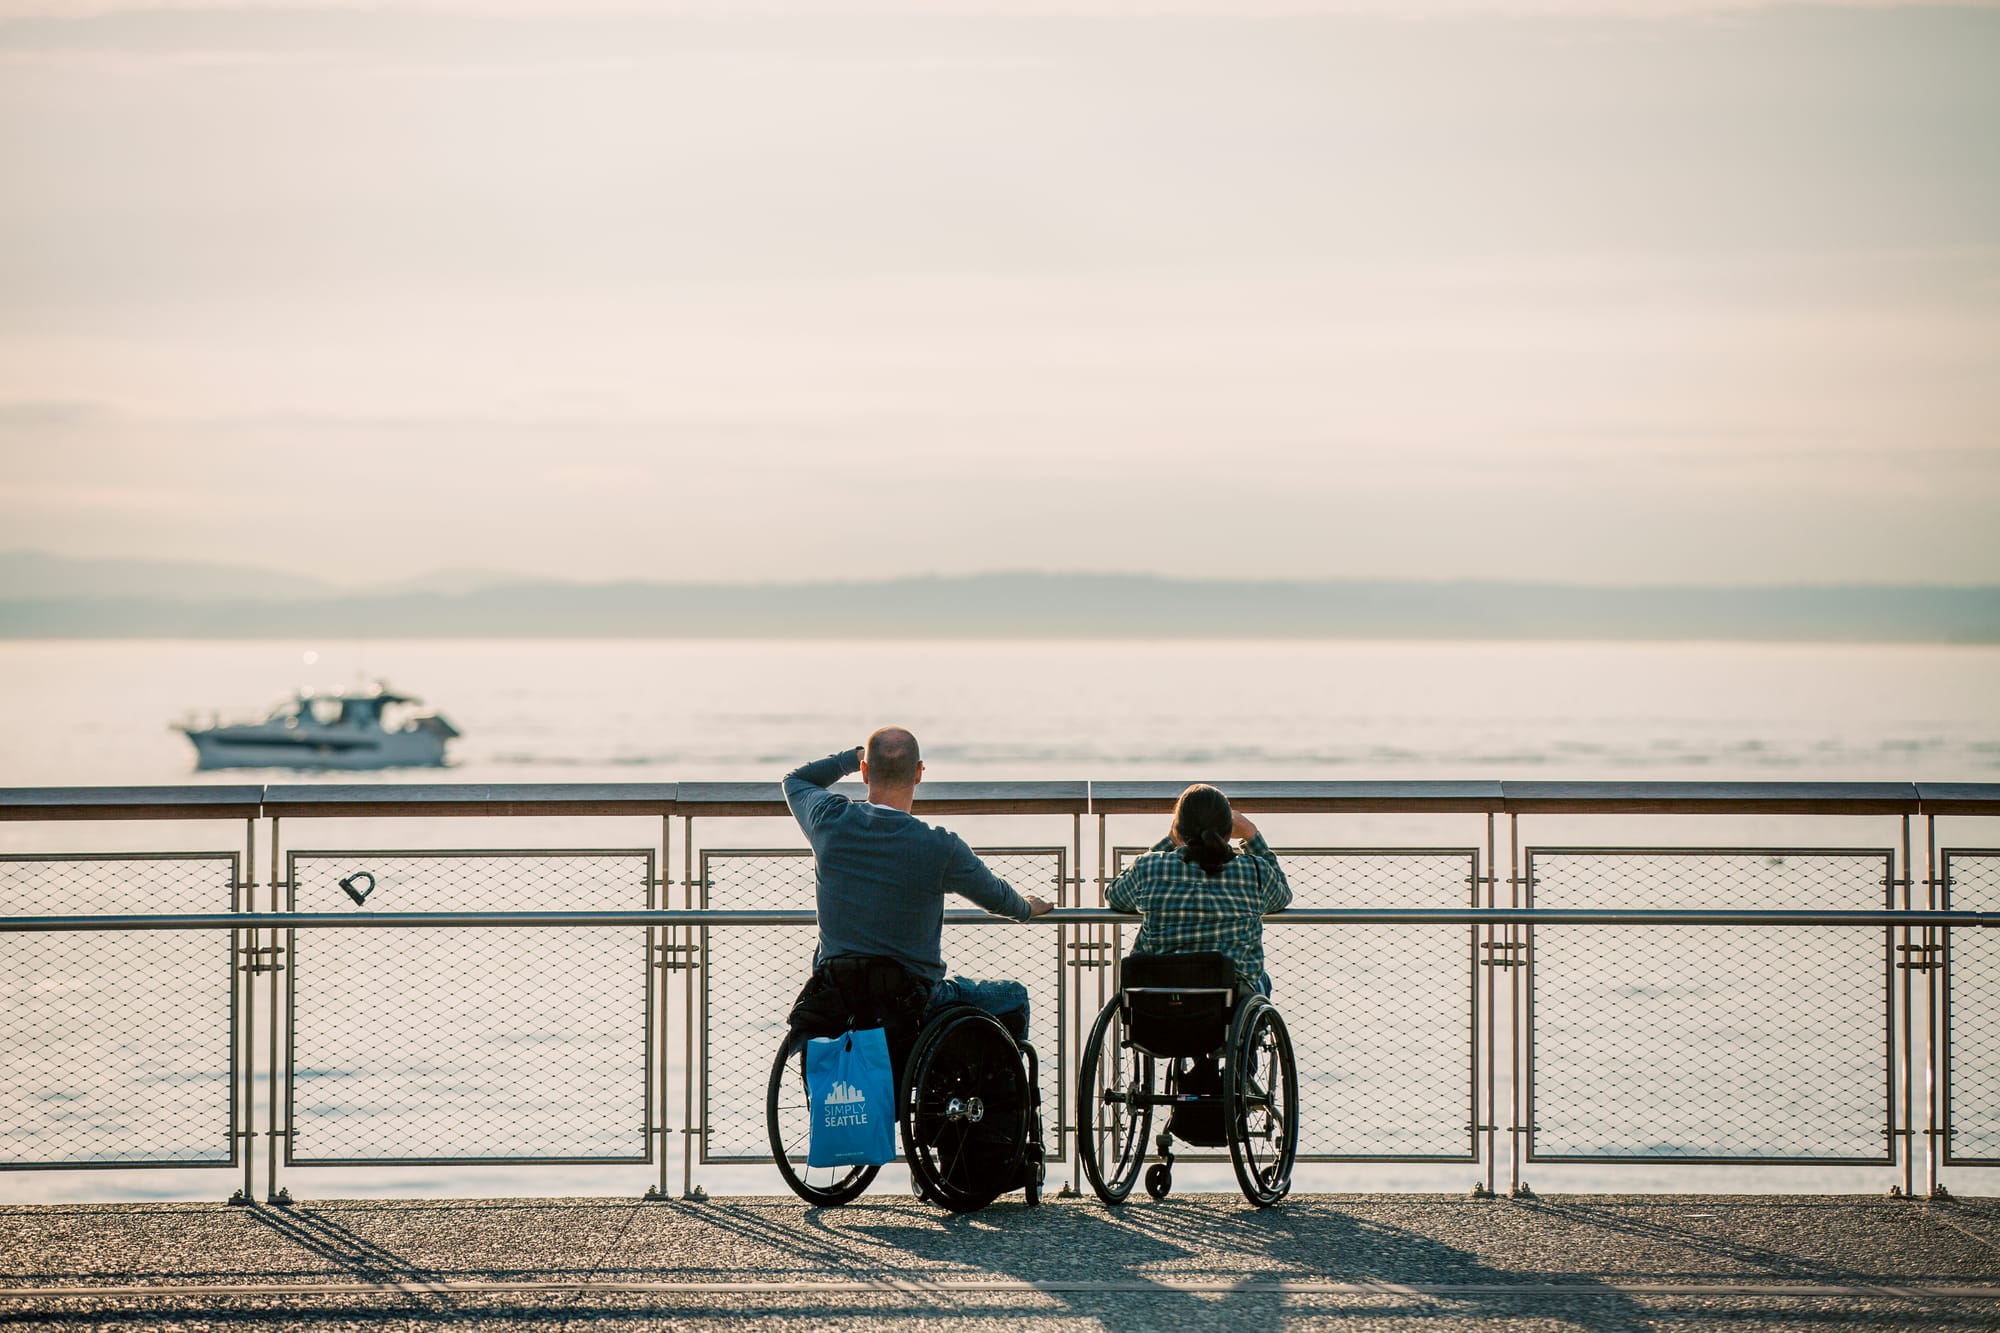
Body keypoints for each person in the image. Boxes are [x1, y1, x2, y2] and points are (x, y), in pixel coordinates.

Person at [783, 727, 1053, 1040]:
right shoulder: (940, 847)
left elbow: (795, 781)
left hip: (839, 996)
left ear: (866, 772)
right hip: (912, 1002)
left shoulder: (828, 821)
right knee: (1013, 996)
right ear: (919, 774)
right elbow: (999, 899)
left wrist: (854, 757)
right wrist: (1026, 908)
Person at [1106, 783, 1290, 998]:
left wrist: (1167, 842)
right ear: (1228, 831)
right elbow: (1281, 895)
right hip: (1226, 998)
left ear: (1179, 828)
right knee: (1260, 980)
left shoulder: (1150, 868)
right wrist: (1251, 836)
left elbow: (1115, 895)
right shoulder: (1254, 870)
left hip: (1158, 994)